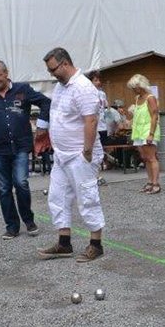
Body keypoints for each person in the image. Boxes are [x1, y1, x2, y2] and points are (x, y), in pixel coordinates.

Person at [0, 60, 51, 239]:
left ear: (6, 73)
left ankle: (29, 221)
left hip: (21, 146)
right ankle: (12, 226)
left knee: (21, 183)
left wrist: (42, 126)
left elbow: (46, 103)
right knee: (4, 188)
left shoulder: (23, 90)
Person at [38, 48, 106, 262]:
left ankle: (96, 244)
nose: (52, 74)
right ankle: (64, 243)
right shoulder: (60, 87)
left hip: (80, 154)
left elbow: (91, 121)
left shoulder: (83, 88)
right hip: (62, 154)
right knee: (57, 197)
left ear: (65, 63)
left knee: (87, 198)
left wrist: (87, 151)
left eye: (53, 69)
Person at [128, 73, 161, 194]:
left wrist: (151, 134)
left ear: (140, 86)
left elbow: (154, 116)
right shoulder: (137, 99)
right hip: (138, 131)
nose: (132, 90)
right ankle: (149, 182)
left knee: (151, 158)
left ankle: (156, 184)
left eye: (134, 87)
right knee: (145, 158)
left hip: (148, 131)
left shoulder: (150, 98)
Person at [86, 70, 110, 185]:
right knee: (94, 149)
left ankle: (97, 174)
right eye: (95, 80)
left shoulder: (102, 93)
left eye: (98, 80)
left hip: (102, 125)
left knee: (100, 151)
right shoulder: (86, 92)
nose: (98, 82)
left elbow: (106, 109)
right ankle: (94, 176)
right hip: (92, 125)